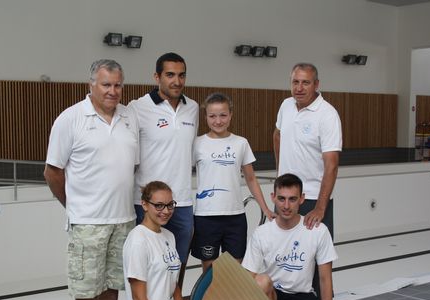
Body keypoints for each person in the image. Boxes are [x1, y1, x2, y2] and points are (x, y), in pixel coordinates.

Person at [44, 59, 138, 300]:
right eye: (106, 84)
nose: (113, 91)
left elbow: (132, 168)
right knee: (87, 291)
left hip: (123, 219)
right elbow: (52, 171)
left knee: (112, 287)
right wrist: (73, 206)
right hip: (88, 223)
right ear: (91, 85)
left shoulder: (130, 117)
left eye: (117, 85)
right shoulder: (71, 119)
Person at [242, 174, 337, 300]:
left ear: (302, 199)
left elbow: (325, 279)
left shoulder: (318, 231)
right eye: (281, 199)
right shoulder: (262, 233)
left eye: (292, 199)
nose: (286, 206)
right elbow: (248, 278)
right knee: (261, 281)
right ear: (273, 198)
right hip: (273, 296)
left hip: (302, 296)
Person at [127, 52, 199, 286]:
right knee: (149, 266)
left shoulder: (193, 108)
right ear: (157, 76)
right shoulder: (137, 108)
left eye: (181, 75)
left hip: (182, 202)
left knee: (177, 264)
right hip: (147, 203)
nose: (177, 81)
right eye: (170, 75)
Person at [192, 92, 275, 272]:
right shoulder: (197, 144)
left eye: (223, 115)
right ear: (205, 116)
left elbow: (251, 179)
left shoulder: (241, 143)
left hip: (235, 217)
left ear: (230, 115)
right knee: (209, 272)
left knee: (236, 272)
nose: (218, 121)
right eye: (212, 116)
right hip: (206, 217)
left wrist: (266, 209)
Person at [272, 63, 342, 238]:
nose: (299, 88)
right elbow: (277, 135)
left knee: (316, 259)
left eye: (306, 83)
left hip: (312, 198)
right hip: (285, 195)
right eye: (295, 82)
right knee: (282, 253)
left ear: (316, 84)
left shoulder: (327, 115)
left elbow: (331, 166)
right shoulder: (286, 105)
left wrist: (320, 207)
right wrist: (280, 174)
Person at [122, 181, 187, 300]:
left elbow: (172, 279)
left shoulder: (168, 236)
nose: (166, 211)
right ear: (144, 204)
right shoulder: (138, 241)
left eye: (169, 205)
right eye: (159, 205)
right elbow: (138, 297)